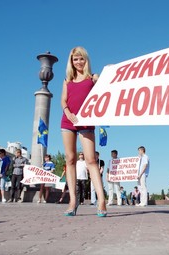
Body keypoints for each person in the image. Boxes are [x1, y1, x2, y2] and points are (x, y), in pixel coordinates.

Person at [60, 46, 107, 217]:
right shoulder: (67, 80)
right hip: (68, 121)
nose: (78, 62)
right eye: (75, 59)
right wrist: (69, 114)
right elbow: (63, 101)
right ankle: (73, 201)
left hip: (86, 121)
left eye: (81, 59)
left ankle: (101, 201)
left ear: (86, 60)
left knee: (91, 160)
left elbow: (106, 90)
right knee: (70, 159)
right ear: (71, 62)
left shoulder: (93, 78)